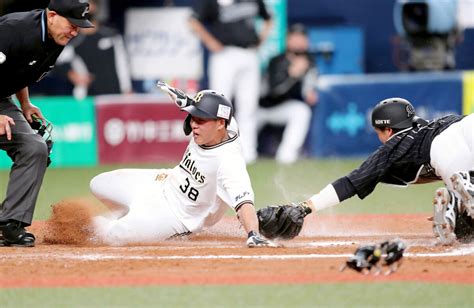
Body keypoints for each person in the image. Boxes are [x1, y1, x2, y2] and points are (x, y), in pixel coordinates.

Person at [89, 86, 273, 247]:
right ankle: (126, 214)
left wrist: (253, 235)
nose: (194, 124)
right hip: (161, 183)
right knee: (98, 184)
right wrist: (186, 101)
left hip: (175, 217)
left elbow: (244, 202)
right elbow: (200, 107)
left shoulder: (229, 161)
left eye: (201, 120)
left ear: (220, 124)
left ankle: (109, 224)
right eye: (193, 117)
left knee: (111, 235)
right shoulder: (226, 123)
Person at [298, 98, 473, 244]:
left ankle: (455, 206)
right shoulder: (428, 125)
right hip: (465, 124)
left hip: (445, 152)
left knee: (466, 231)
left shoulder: (392, 148)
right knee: (463, 188)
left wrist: (305, 207)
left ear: (388, 130)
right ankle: (459, 198)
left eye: (378, 132)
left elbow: (350, 183)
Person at [0, 0, 94, 247]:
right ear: (52, 15)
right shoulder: (13, 29)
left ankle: (10, 224)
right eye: (71, 24)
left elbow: (20, 70)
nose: (74, 31)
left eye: (78, 27)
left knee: (34, 147)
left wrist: (25, 103)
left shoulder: (56, 38)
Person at [188, 0, 273, 164]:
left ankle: (249, 153)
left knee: (248, 106)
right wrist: (210, 42)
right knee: (218, 106)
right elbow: (192, 19)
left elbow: (269, 17)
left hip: (249, 54)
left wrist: (260, 39)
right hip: (225, 55)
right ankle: (215, 150)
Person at [258, 23, 318, 164]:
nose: (298, 41)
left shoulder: (310, 61)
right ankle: (244, 156)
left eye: (302, 38)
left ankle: (286, 157)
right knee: (244, 120)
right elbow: (274, 91)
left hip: (283, 109)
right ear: (287, 40)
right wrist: (292, 75)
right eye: (295, 37)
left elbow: (309, 86)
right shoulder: (276, 61)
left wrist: (309, 92)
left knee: (302, 111)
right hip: (261, 108)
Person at [54, 0, 132, 99]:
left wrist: (127, 89)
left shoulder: (111, 35)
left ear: (96, 7)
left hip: (114, 95)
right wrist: (73, 75)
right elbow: (58, 63)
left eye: (88, 3)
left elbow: (122, 63)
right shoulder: (70, 40)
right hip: (85, 97)